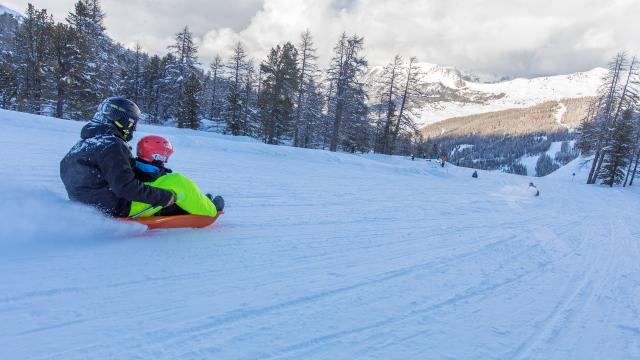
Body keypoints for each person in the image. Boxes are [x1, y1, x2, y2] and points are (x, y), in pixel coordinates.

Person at [60, 97, 176, 217]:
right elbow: (126, 187)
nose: (134, 129)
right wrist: (165, 197)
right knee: (179, 184)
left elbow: (114, 174)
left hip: (90, 206)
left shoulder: (84, 144)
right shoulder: (111, 145)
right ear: (125, 120)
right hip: (116, 208)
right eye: (133, 123)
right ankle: (196, 217)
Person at [130, 135, 224, 217]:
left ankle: (200, 201)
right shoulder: (148, 169)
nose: (165, 159)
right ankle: (210, 208)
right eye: (164, 155)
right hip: (137, 205)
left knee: (174, 188)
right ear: (156, 156)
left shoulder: (137, 163)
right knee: (180, 183)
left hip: (137, 201)